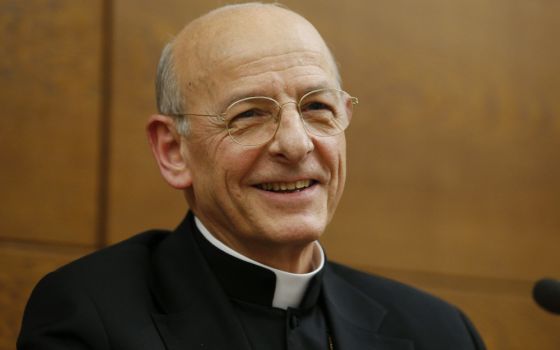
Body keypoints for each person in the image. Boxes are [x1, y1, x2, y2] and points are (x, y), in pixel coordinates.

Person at [18, 3, 485, 350]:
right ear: (173, 150)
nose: (296, 144)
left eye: (317, 108)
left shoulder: (438, 333)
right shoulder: (89, 317)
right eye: (248, 115)